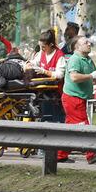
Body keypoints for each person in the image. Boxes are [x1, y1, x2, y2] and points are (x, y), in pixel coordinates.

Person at [27, 29, 68, 161]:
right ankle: (43, 149)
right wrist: (29, 65)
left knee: (57, 121)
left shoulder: (59, 56)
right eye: (40, 46)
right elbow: (35, 63)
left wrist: (44, 71)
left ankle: (57, 151)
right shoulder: (41, 53)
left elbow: (59, 74)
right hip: (45, 94)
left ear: (51, 45)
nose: (42, 49)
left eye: (44, 46)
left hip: (56, 94)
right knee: (45, 119)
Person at [61, 37, 96, 163]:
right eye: (85, 43)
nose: (89, 44)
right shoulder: (75, 59)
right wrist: (91, 76)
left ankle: (59, 155)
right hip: (73, 98)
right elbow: (74, 77)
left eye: (89, 42)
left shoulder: (88, 60)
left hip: (81, 98)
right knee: (84, 126)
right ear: (77, 47)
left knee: (70, 129)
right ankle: (91, 154)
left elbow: (93, 77)